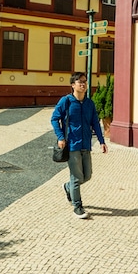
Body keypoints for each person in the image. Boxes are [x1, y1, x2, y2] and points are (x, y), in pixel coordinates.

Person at [51, 71, 107, 219]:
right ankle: (77, 206)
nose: (83, 84)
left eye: (84, 81)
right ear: (72, 85)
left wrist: (102, 141)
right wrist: (60, 137)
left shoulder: (89, 103)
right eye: (79, 82)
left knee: (87, 176)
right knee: (76, 177)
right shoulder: (66, 101)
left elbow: (95, 122)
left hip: (86, 143)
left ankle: (67, 187)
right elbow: (54, 119)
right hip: (72, 144)